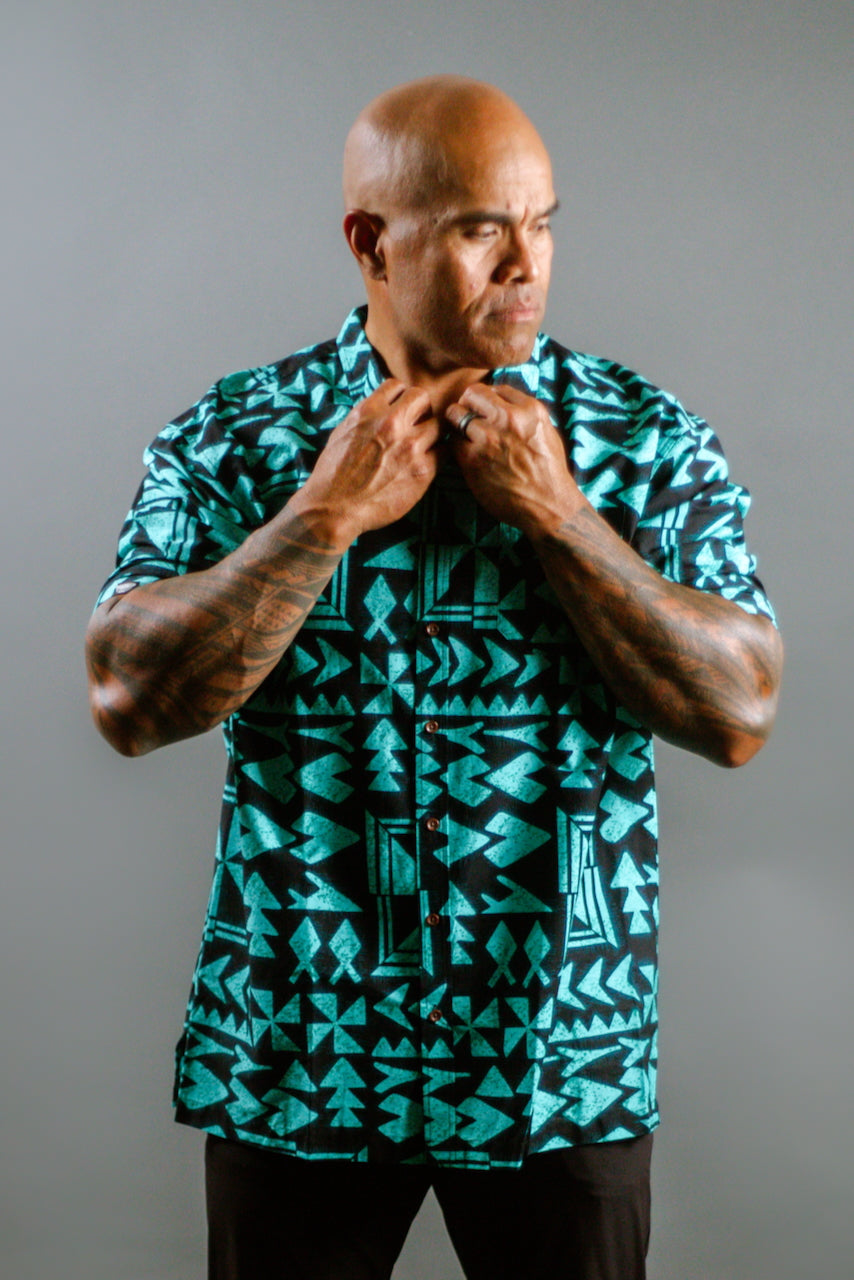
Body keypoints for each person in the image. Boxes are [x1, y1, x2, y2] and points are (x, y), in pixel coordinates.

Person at [86, 75, 782, 1280]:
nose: (526, 263)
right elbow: (126, 701)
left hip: (556, 1053)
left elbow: (739, 710)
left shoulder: (638, 438)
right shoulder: (243, 433)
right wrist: (319, 516)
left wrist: (562, 517)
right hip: (302, 1052)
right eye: (479, 229)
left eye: (542, 224)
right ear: (371, 242)